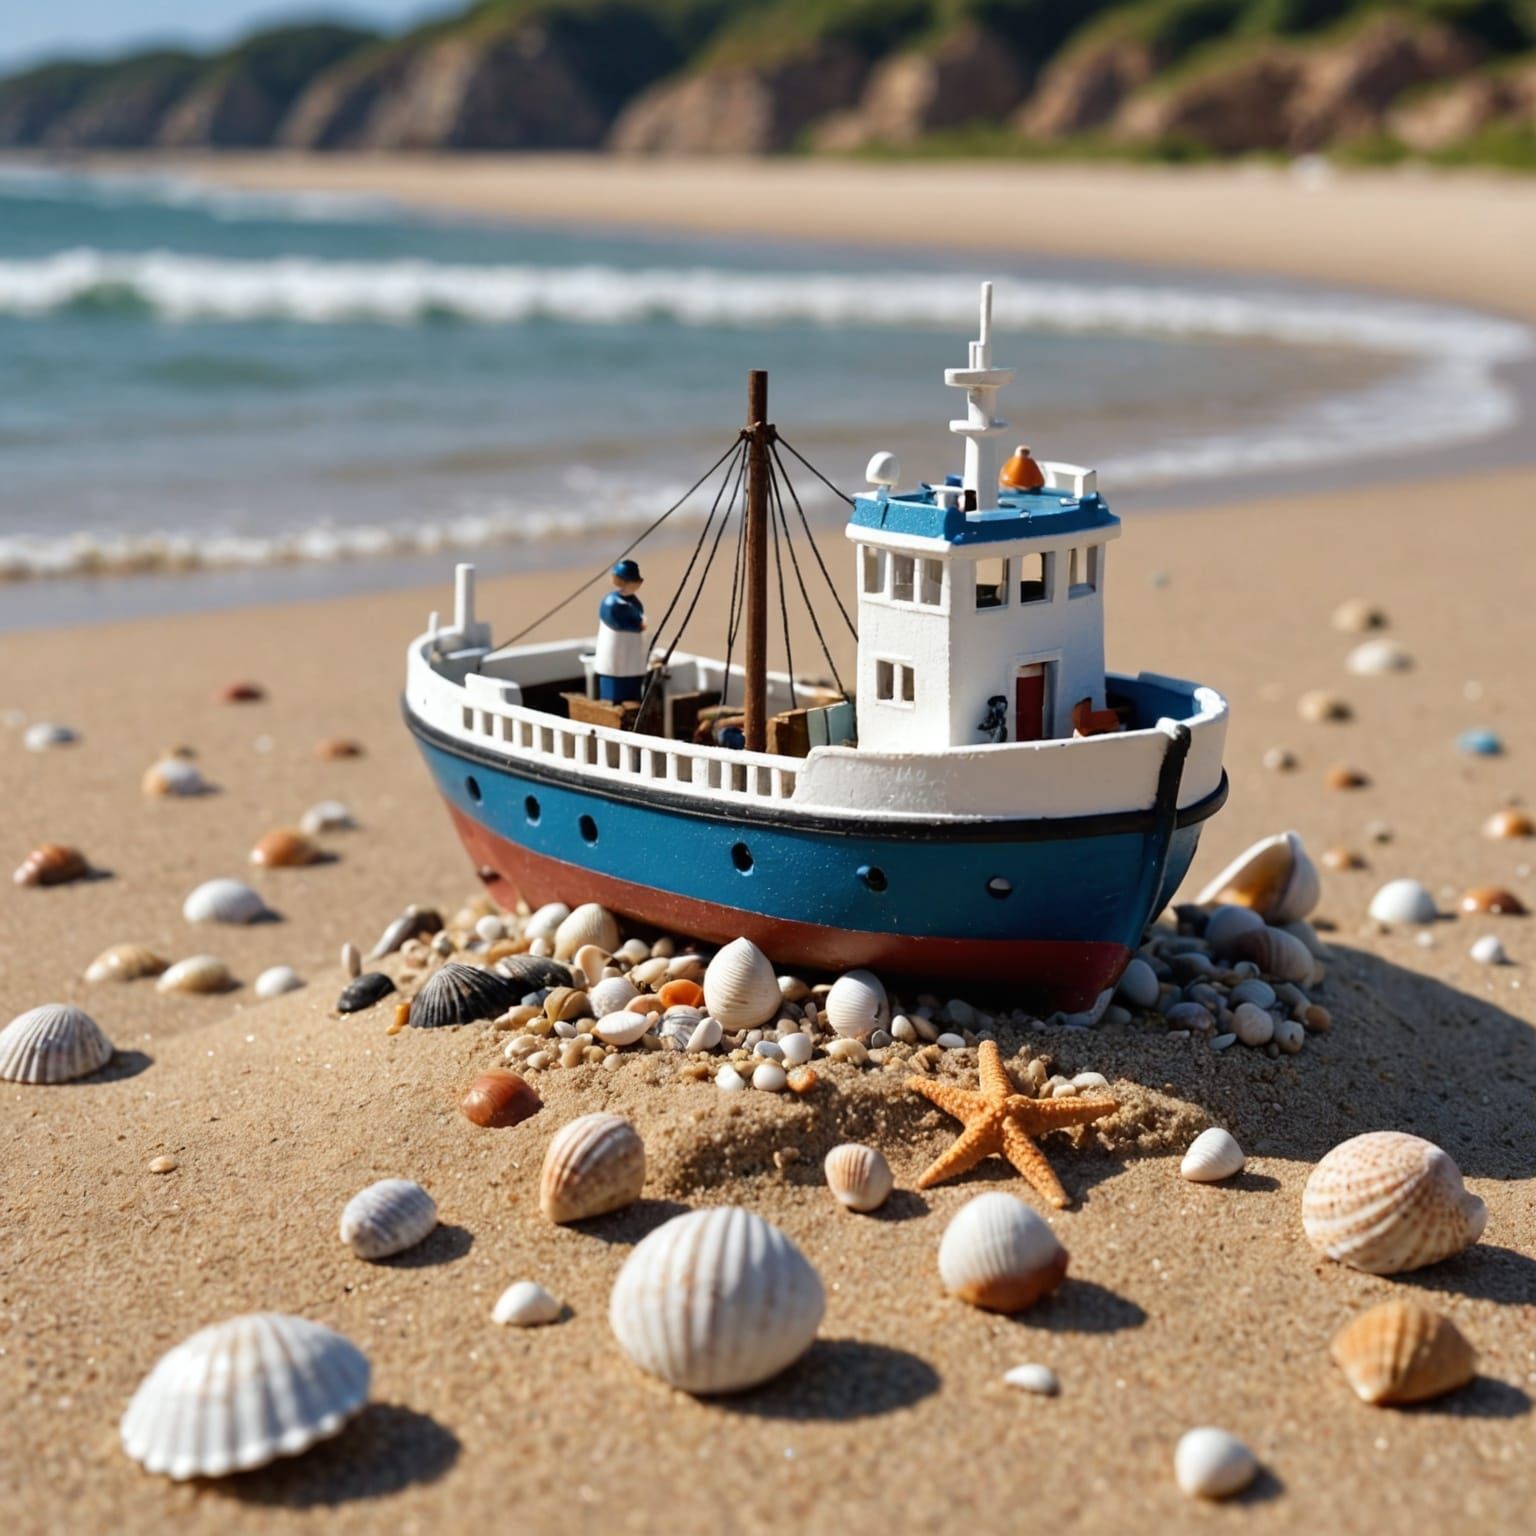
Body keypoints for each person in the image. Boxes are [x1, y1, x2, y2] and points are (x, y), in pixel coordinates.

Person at [595, 559, 647, 703]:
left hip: (632, 648)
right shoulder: (610, 601)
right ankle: (611, 701)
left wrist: (639, 623)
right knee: (614, 677)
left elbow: (638, 613)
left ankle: (634, 700)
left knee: (632, 676)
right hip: (615, 645)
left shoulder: (633, 601)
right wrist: (636, 626)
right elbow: (614, 620)